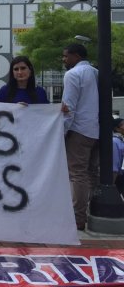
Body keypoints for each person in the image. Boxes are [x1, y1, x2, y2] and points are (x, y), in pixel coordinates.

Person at [61, 43, 99, 231]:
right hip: (96, 130)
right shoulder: (96, 73)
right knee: (90, 173)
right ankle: (89, 211)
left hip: (78, 130)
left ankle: (78, 217)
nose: (64, 60)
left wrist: (62, 131)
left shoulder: (72, 75)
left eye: (66, 56)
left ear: (76, 56)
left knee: (77, 174)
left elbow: (69, 108)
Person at [112, 118, 124, 196]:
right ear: (117, 128)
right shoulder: (115, 141)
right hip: (117, 176)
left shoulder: (120, 140)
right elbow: (115, 163)